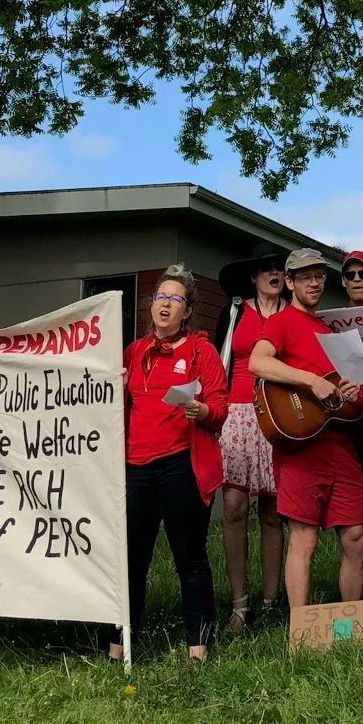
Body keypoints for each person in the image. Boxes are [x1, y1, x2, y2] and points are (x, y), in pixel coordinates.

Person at [108, 267, 229, 662]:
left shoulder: (200, 351)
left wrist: (202, 409)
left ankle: (198, 644)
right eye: (161, 297)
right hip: (134, 467)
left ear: (187, 311)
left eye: (175, 299)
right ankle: (120, 644)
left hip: (180, 464)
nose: (165, 304)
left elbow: (221, 408)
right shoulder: (133, 350)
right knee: (131, 560)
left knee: (189, 557)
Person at [248, 249, 363, 609]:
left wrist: (351, 392)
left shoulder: (334, 333)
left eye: (318, 276)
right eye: (305, 277)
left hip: (340, 443)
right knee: (304, 537)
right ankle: (300, 631)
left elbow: (357, 400)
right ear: (289, 283)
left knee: (357, 536)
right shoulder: (282, 322)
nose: (314, 283)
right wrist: (311, 380)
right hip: (300, 444)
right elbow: (257, 362)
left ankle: (352, 622)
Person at [212, 247, 287, 628]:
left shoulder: (291, 314)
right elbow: (216, 360)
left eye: (279, 269)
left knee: (273, 512)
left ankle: (273, 600)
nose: (273, 274)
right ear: (254, 278)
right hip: (237, 413)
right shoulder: (235, 311)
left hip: (278, 414)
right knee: (235, 508)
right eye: (266, 269)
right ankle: (240, 602)